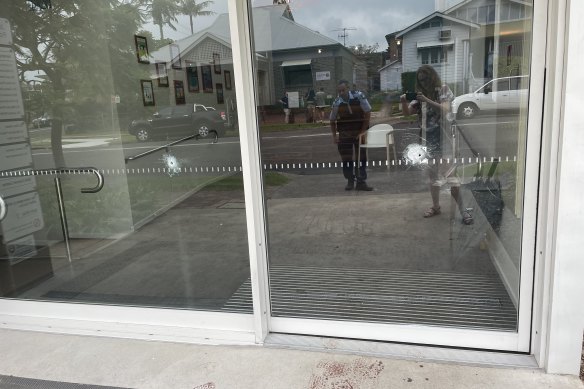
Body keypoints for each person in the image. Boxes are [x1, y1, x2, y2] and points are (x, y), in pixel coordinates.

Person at [400, 65, 473, 224]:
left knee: (450, 175)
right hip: (427, 139)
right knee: (432, 175)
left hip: (443, 136)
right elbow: (407, 114)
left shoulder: (443, 90)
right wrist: (404, 101)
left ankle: (463, 210)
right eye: (420, 80)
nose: (423, 83)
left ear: (432, 77)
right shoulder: (419, 96)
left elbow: (446, 109)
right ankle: (436, 206)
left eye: (425, 79)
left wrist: (426, 100)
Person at [330, 79, 373, 191]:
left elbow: (368, 112)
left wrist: (363, 131)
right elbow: (332, 120)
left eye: (343, 90)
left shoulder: (359, 96)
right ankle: (350, 180)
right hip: (345, 133)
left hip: (360, 131)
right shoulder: (336, 103)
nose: (341, 93)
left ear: (348, 89)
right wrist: (335, 136)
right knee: (346, 158)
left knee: (361, 157)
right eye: (339, 91)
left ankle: (361, 181)